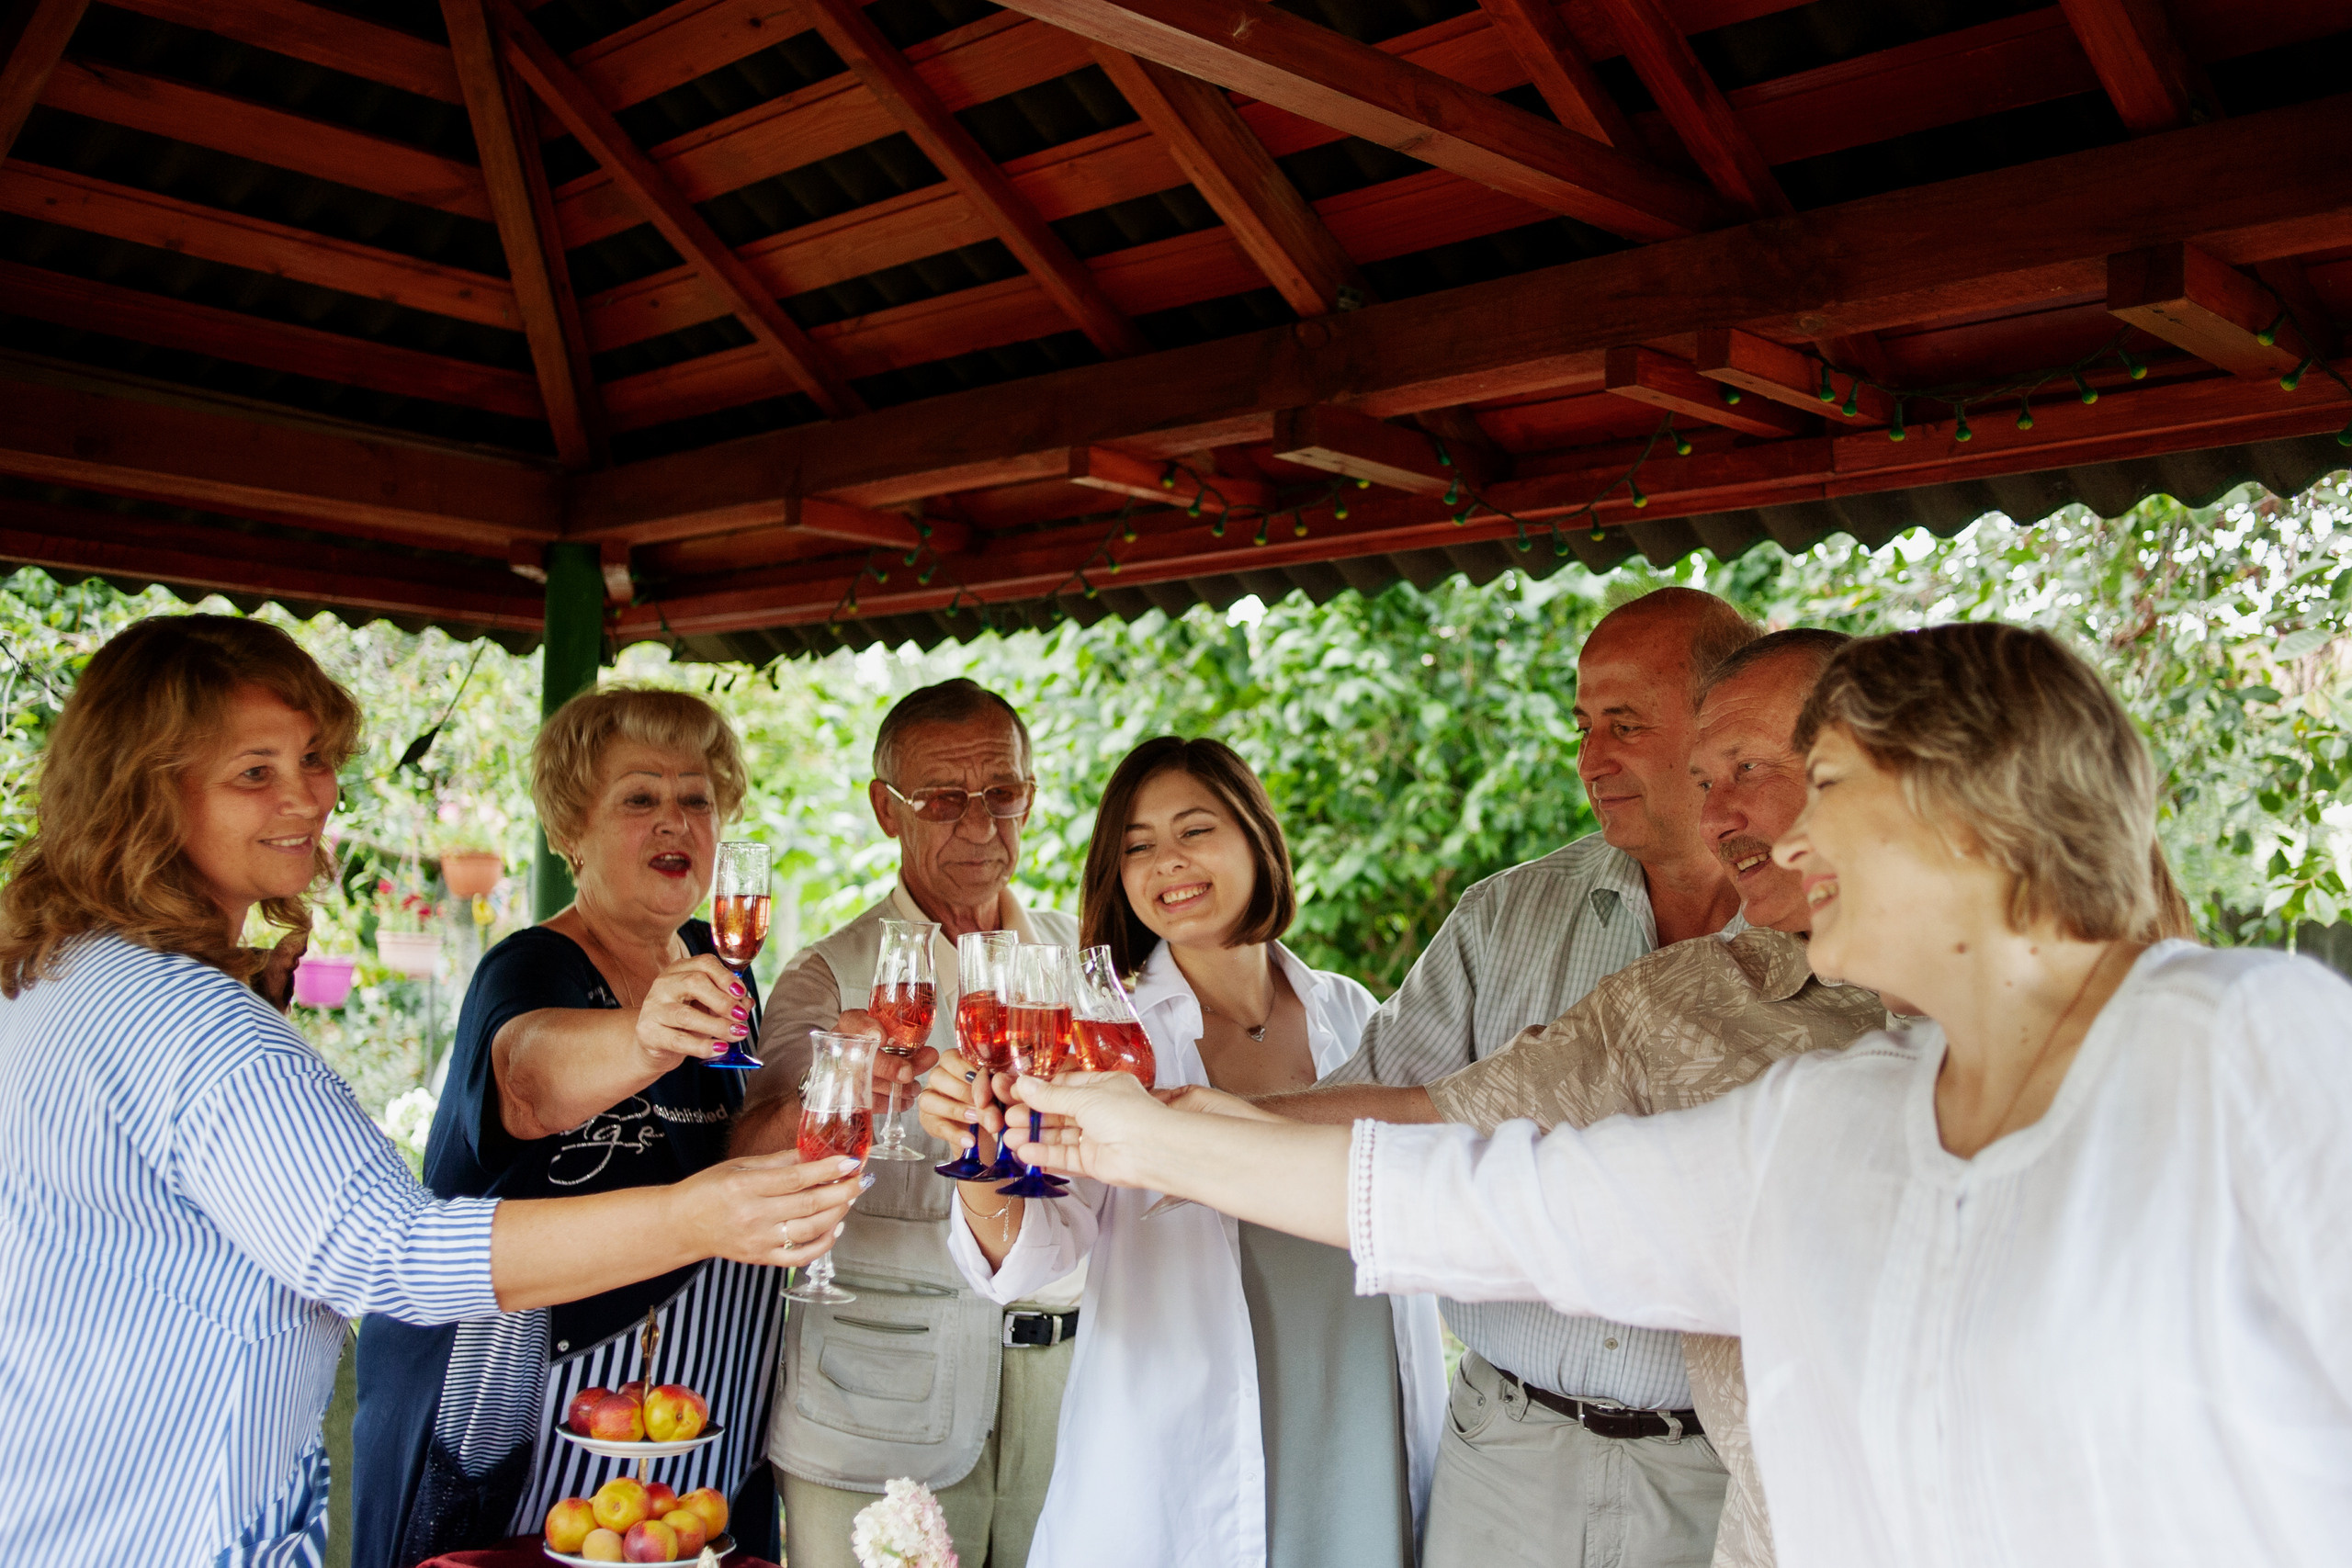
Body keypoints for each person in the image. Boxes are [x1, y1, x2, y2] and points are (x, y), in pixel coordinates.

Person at [1003, 622, 2352, 1567]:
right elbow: (1474, 1194)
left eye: (1822, 784)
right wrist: (1124, 1129)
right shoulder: (1833, 1118)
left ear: (1967, 807)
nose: (1773, 832)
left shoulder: (2252, 1045)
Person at [0, 617, 858, 1568]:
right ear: (144, 793)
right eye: (254, 771)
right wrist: (694, 1211)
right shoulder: (196, 1024)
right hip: (161, 1522)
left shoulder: (59, 977)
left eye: (314, 758)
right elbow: (388, 1247)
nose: (308, 795)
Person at [1283, 585, 1758, 1568]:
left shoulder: (1832, 938)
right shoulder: (1505, 917)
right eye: (1583, 726)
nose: (1591, 759)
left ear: (1725, 726)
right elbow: (1366, 1123)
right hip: (1506, 1449)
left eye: (1624, 724)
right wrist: (1166, 1131)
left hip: (1726, 1471)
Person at [919, 737, 1445, 1568]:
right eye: (1138, 846)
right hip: (1185, 1450)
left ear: (1256, 838)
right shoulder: (1106, 1036)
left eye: (1195, 830)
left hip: (1360, 1407)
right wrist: (982, 1160)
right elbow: (1033, 1256)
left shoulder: (1350, 1011)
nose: (1167, 861)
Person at [355, 685, 842, 1567]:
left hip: (706, 1393)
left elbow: (727, 1148)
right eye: (640, 797)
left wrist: (845, 1086)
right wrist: (644, 1035)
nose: (676, 821)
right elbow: (529, 1082)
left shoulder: (719, 963)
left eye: (697, 799)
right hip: (532, 1406)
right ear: (570, 830)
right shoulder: (528, 965)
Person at [731, 678, 1081, 1568]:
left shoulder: (1078, 960)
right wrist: (843, 1083)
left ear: (1031, 798)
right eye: (943, 799)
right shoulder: (829, 975)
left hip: (1071, 1417)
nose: (980, 823)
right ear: (886, 810)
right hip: (871, 1422)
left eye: (1001, 792)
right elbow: (743, 1155)